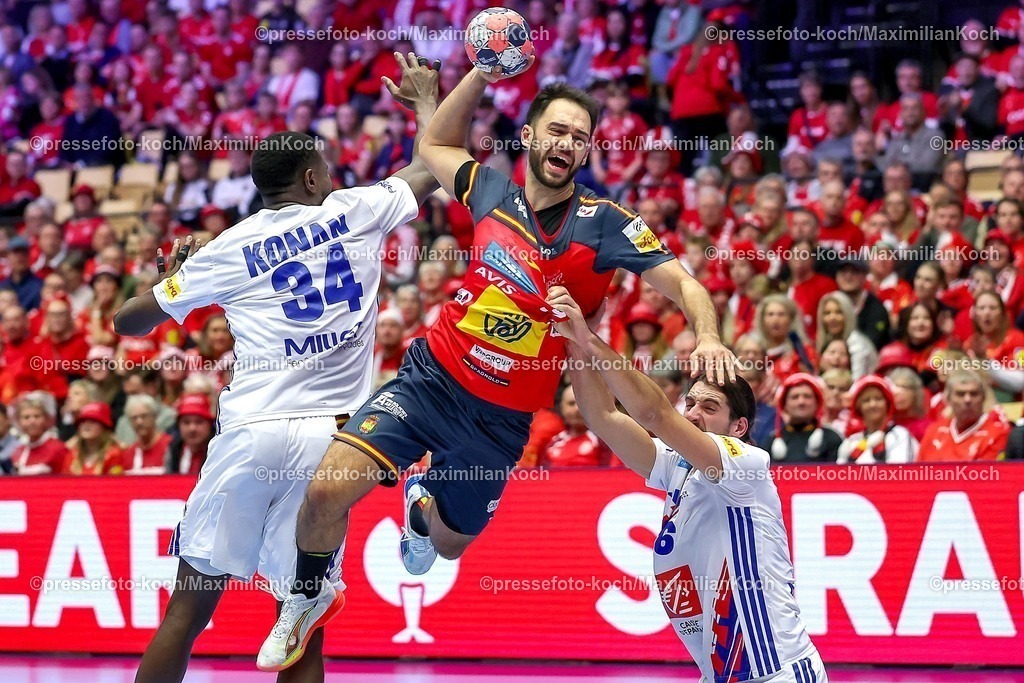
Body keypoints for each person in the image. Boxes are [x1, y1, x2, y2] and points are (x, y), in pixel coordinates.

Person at [260, 57, 737, 672]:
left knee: (452, 548)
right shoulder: (490, 191)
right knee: (325, 492)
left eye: (580, 138)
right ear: (533, 137)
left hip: (501, 422)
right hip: (431, 381)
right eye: (558, 131)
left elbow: (687, 283)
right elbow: (433, 145)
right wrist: (479, 74)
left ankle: (423, 515)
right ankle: (303, 599)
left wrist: (709, 335)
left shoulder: (605, 225)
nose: (568, 144)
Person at [115, 53, 441, 683]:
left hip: (250, 431)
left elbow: (131, 321)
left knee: (187, 610)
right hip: (330, 443)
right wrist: (425, 103)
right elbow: (433, 164)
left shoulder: (229, 245)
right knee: (301, 623)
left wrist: (175, 278)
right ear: (314, 178)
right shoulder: (355, 210)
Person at [548, 286, 828, 683]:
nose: (693, 414)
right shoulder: (676, 466)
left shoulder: (746, 464)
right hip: (718, 676)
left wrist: (590, 339)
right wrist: (572, 342)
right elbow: (603, 417)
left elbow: (653, 413)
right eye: (691, 403)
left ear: (739, 427)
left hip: (776, 673)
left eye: (709, 408)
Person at [917, 369, 1011, 462]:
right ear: (948, 399)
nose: (967, 399)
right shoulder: (934, 431)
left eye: (974, 394)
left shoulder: (998, 433)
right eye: (960, 394)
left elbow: (987, 474)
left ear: (983, 398)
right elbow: (918, 470)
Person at [760, 372, 842, 463]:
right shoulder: (770, 441)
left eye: (807, 396)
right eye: (795, 397)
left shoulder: (831, 438)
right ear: (784, 405)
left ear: (817, 403)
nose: (801, 402)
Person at [837, 376, 918, 464]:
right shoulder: (853, 440)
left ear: (887, 403)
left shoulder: (899, 434)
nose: (873, 404)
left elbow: (899, 472)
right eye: (866, 400)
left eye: (878, 399)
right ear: (858, 407)